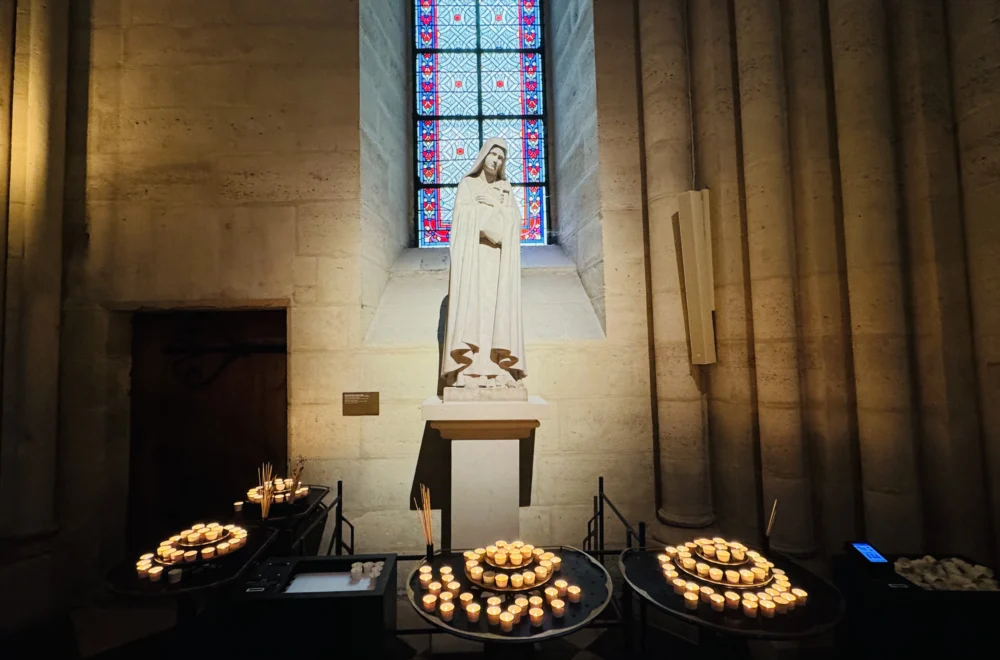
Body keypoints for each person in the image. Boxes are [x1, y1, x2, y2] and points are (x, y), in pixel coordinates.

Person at [440, 138, 526, 389]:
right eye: (493, 154)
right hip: (474, 259)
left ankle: (499, 369)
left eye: (501, 157)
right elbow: (462, 218)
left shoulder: (505, 188)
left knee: (497, 311)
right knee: (473, 310)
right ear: (483, 155)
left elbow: (514, 221)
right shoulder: (467, 185)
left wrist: (496, 205)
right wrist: (486, 213)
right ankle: (467, 371)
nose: (496, 160)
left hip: (498, 261)